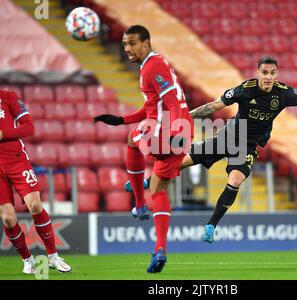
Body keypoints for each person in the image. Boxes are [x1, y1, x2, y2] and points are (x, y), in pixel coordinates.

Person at [126, 56, 297, 244]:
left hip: (248, 145)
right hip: (229, 136)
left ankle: (210, 226)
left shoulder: (283, 93)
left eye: (272, 73)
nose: (268, 77)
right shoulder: (244, 89)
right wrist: (187, 116)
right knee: (183, 162)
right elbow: (213, 106)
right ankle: (145, 185)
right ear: (257, 73)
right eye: (264, 73)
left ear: (276, 74)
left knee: (235, 179)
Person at [94, 25, 193, 273]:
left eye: (132, 43)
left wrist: (173, 131)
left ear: (146, 43)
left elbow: (171, 100)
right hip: (182, 131)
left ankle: (139, 203)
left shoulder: (152, 66)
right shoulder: (154, 64)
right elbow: (152, 106)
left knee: (131, 141)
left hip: (166, 130)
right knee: (159, 190)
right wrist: (121, 119)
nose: (127, 49)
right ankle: (160, 249)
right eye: (125, 44)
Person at [0, 56, 71, 274]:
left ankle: (53, 256)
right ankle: (28, 260)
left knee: (34, 205)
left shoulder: (8, 97)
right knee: (7, 217)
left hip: (16, 160)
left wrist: (3, 134)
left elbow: (29, 128)